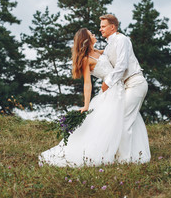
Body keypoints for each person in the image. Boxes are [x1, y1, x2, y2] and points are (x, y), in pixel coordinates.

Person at [39, 28, 125, 167]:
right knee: (111, 120)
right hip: (110, 90)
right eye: (91, 34)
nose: (94, 35)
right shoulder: (86, 60)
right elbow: (87, 83)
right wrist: (86, 105)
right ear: (86, 39)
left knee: (119, 119)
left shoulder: (98, 51)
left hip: (117, 86)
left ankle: (121, 150)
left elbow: (115, 53)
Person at [99, 14, 150, 163]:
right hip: (127, 86)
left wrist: (107, 82)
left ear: (112, 27)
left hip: (135, 83)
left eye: (103, 26)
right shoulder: (110, 45)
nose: (100, 29)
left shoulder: (122, 40)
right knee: (121, 120)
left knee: (123, 121)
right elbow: (105, 54)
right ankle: (130, 156)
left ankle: (125, 161)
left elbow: (122, 65)